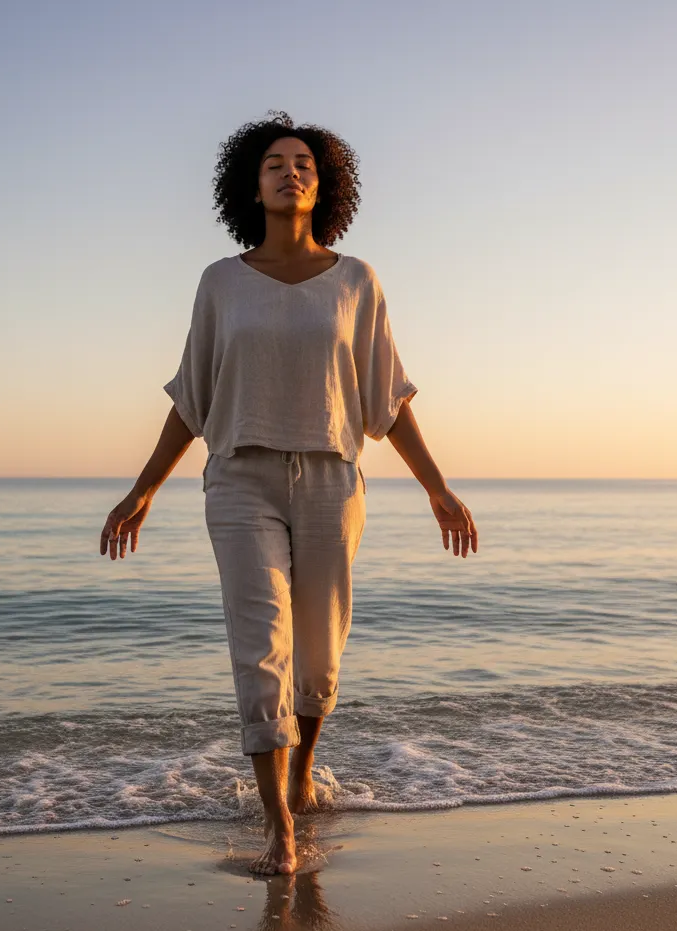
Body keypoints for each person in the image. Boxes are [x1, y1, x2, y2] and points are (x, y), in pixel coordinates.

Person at [100, 112, 478, 875]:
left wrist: (438, 487)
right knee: (260, 649)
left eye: (303, 161)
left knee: (320, 656)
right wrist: (142, 490)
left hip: (334, 482)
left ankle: (304, 770)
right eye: (274, 162)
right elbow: (191, 400)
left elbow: (389, 400)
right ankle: (280, 827)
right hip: (240, 479)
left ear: (323, 182)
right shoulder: (219, 283)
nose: (290, 171)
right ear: (253, 183)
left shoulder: (357, 282)